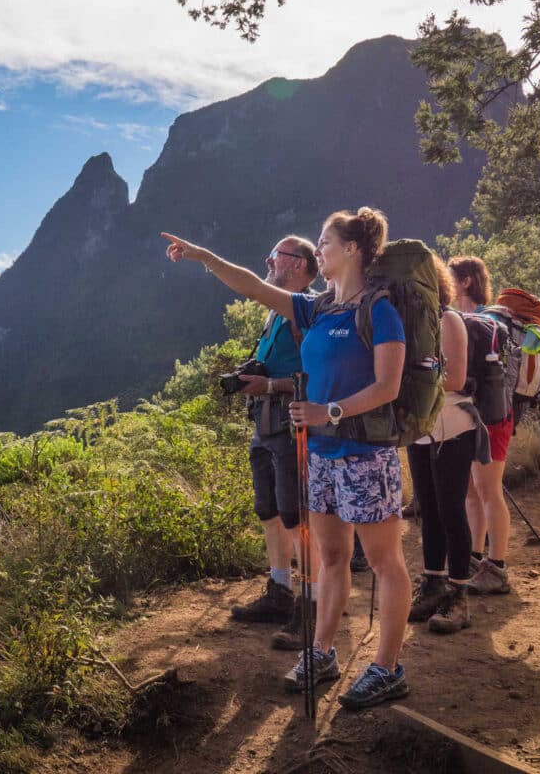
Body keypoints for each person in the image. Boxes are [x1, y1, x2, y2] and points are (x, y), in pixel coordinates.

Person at [162, 206, 412, 710]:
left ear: (353, 249)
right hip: (319, 454)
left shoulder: (380, 309)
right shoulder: (316, 309)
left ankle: (387, 667)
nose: (318, 250)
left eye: (325, 241)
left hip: (365, 455)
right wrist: (201, 255)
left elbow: (389, 386)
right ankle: (322, 652)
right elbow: (254, 286)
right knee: (333, 557)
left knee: (385, 563)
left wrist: (330, 410)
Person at [227, 236, 321, 653]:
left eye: (276, 256)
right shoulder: (275, 312)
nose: (269, 260)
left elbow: (317, 376)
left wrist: (269, 384)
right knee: (268, 510)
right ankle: (279, 589)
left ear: (300, 264)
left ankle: (311, 605)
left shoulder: (310, 311)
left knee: (296, 515)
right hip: (264, 422)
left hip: (293, 424)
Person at [406, 254, 487, 634]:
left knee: (452, 509)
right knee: (428, 508)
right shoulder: (412, 324)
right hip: (422, 429)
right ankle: (433, 582)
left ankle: (459, 595)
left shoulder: (448, 319)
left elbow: (454, 379)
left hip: (453, 426)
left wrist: (415, 370)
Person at [448, 256, 513, 595]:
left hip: (491, 417)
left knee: (489, 491)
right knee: (472, 491)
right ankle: (475, 556)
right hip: (477, 416)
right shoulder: (469, 320)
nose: (447, 283)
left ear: (466, 282)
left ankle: (497, 566)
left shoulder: (480, 322)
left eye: (451, 277)